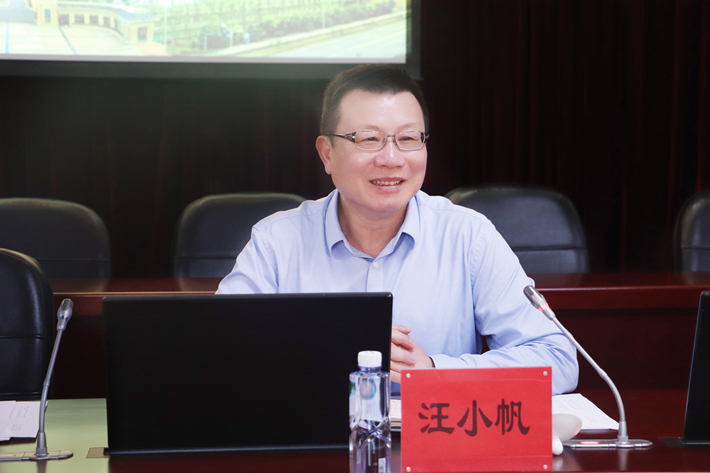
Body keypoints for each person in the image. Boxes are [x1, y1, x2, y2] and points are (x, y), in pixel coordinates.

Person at [217, 64, 578, 395]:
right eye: (368, 139)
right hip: (316, 435)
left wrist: (434, 371)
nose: (391, 159)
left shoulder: (468, 237)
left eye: (407, 139)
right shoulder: (277, 242)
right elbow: (220, 352)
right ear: (327, 153)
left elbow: (557, 359)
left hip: (436, 438)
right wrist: (333, 346)